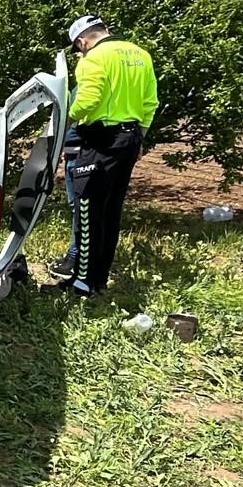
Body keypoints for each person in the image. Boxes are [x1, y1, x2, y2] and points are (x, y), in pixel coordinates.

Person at [46, 15, 158, 295]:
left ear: (82, 41)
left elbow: (89, 99)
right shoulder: (141, 54)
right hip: (129, 139)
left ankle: (81, 283)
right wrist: (139, 137)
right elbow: (150, 103)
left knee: (88, 213)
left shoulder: (93, 58)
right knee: (110, 213)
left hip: (100, 141)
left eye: (78, 49)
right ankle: (99, 279)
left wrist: (64, 121)